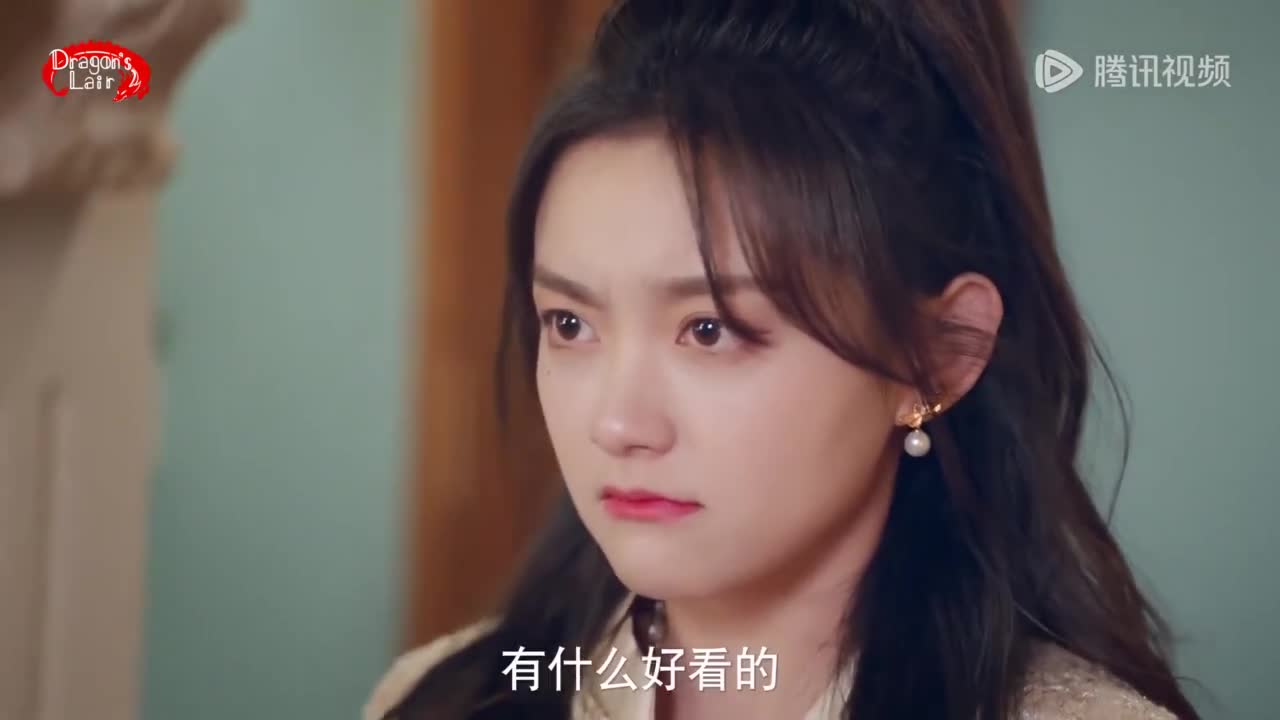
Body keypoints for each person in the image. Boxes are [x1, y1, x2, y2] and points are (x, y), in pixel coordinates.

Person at [366, 0, 1200, 717]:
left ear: (937, 356)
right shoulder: (441, 698)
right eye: (570, 324)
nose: (617, 424)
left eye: (710, 330)